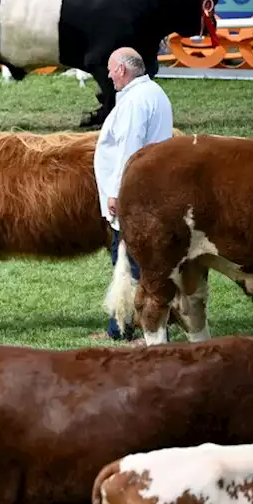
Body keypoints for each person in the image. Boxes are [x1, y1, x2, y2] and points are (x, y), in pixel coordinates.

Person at [92, 47, 173, 341]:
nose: (109, 75)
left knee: (130, 262)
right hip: (149, 192)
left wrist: (116, 192)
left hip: (134, 197)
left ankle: (134, 328)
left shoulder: (136, 101)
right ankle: (123, 326)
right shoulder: (153, 93)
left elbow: (130, 147)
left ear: (123, 71)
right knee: (135, 261)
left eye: (112, 69)